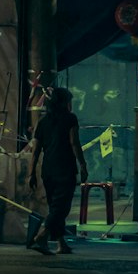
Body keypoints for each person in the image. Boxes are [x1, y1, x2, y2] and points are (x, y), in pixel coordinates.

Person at [27, 86, 87, 256]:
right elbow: (74, 143)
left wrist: (31, 173)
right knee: (61, 208)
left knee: (55, 206)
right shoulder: (70, 119)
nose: (71, 105)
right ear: (63, 103)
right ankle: (41, 236)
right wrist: (83, 164)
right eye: (69, 101)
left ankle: (61, 244)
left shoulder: (42, 122)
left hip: (47, 171)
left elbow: (35, 150)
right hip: (65, 168)